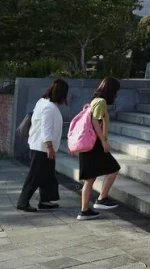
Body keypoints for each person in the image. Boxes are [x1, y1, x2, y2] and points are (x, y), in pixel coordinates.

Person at [17, 79, 68, 212]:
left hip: (40, 146)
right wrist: (49, 147)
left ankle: (45, 200)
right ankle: (23, 202)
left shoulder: (42, 102)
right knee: (35, 176)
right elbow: (46, 129)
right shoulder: (48, 107)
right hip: (42, 148)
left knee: (47, 175)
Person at [77, 77, 122, 220]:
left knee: (90, 179)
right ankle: (102, 199)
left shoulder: (95, 101)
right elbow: (95, 121)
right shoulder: (101, 102)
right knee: (114, 168)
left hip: (88, 144)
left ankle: (84, 211)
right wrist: (103, 141)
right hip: (94, 144)